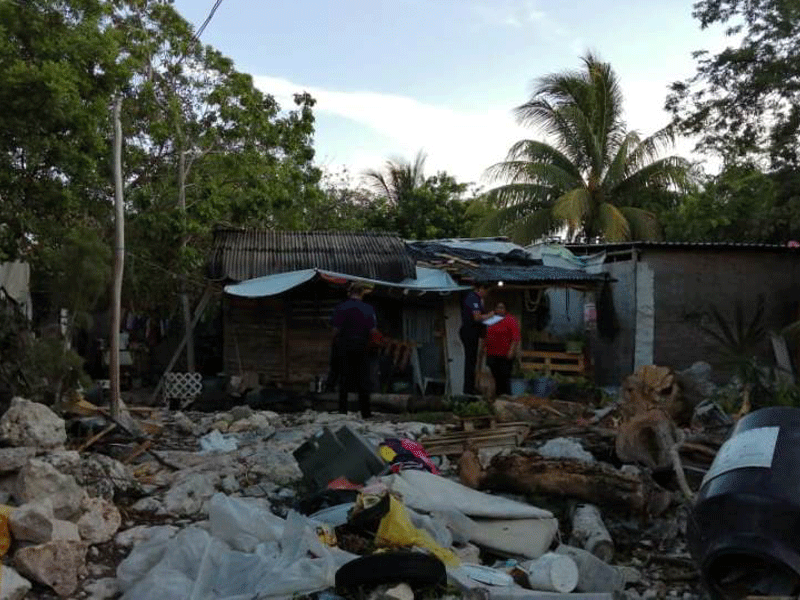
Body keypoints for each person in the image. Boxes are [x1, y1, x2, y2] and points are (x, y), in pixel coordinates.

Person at [331, 283, 378, 418]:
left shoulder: (341, 308)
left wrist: (334, 343)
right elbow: (373, 330)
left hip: (345, 344)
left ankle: (343, 410)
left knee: (344, 378)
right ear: (362, 293)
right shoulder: (368, 309)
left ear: (349, 292)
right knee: (363, 378)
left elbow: (335, 330)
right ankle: (366, 412)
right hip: (362, 345)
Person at [459, 283, 494, 396]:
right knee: (470, 360)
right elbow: (477, 317)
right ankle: (468, 389)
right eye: (486, 291)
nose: (486, 294)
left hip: (475, 332)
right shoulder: (473, 298)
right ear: (481, 289)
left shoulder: (479, 300)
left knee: (473, 360)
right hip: (469, 331)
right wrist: (489, 316)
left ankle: (471, 386)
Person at [483, 302, 521, 396]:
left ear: (505, 309)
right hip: (492, 352)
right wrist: (484, 347)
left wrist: (511, 350)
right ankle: (497, 397)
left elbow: (515, 337)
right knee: (495, 376)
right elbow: (485, 334)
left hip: (505, 353)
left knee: (505, 377)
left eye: (502, 307)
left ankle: (506, 397)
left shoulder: (510, 320)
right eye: (498, 307)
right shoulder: (491, 319)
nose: (500, 309)